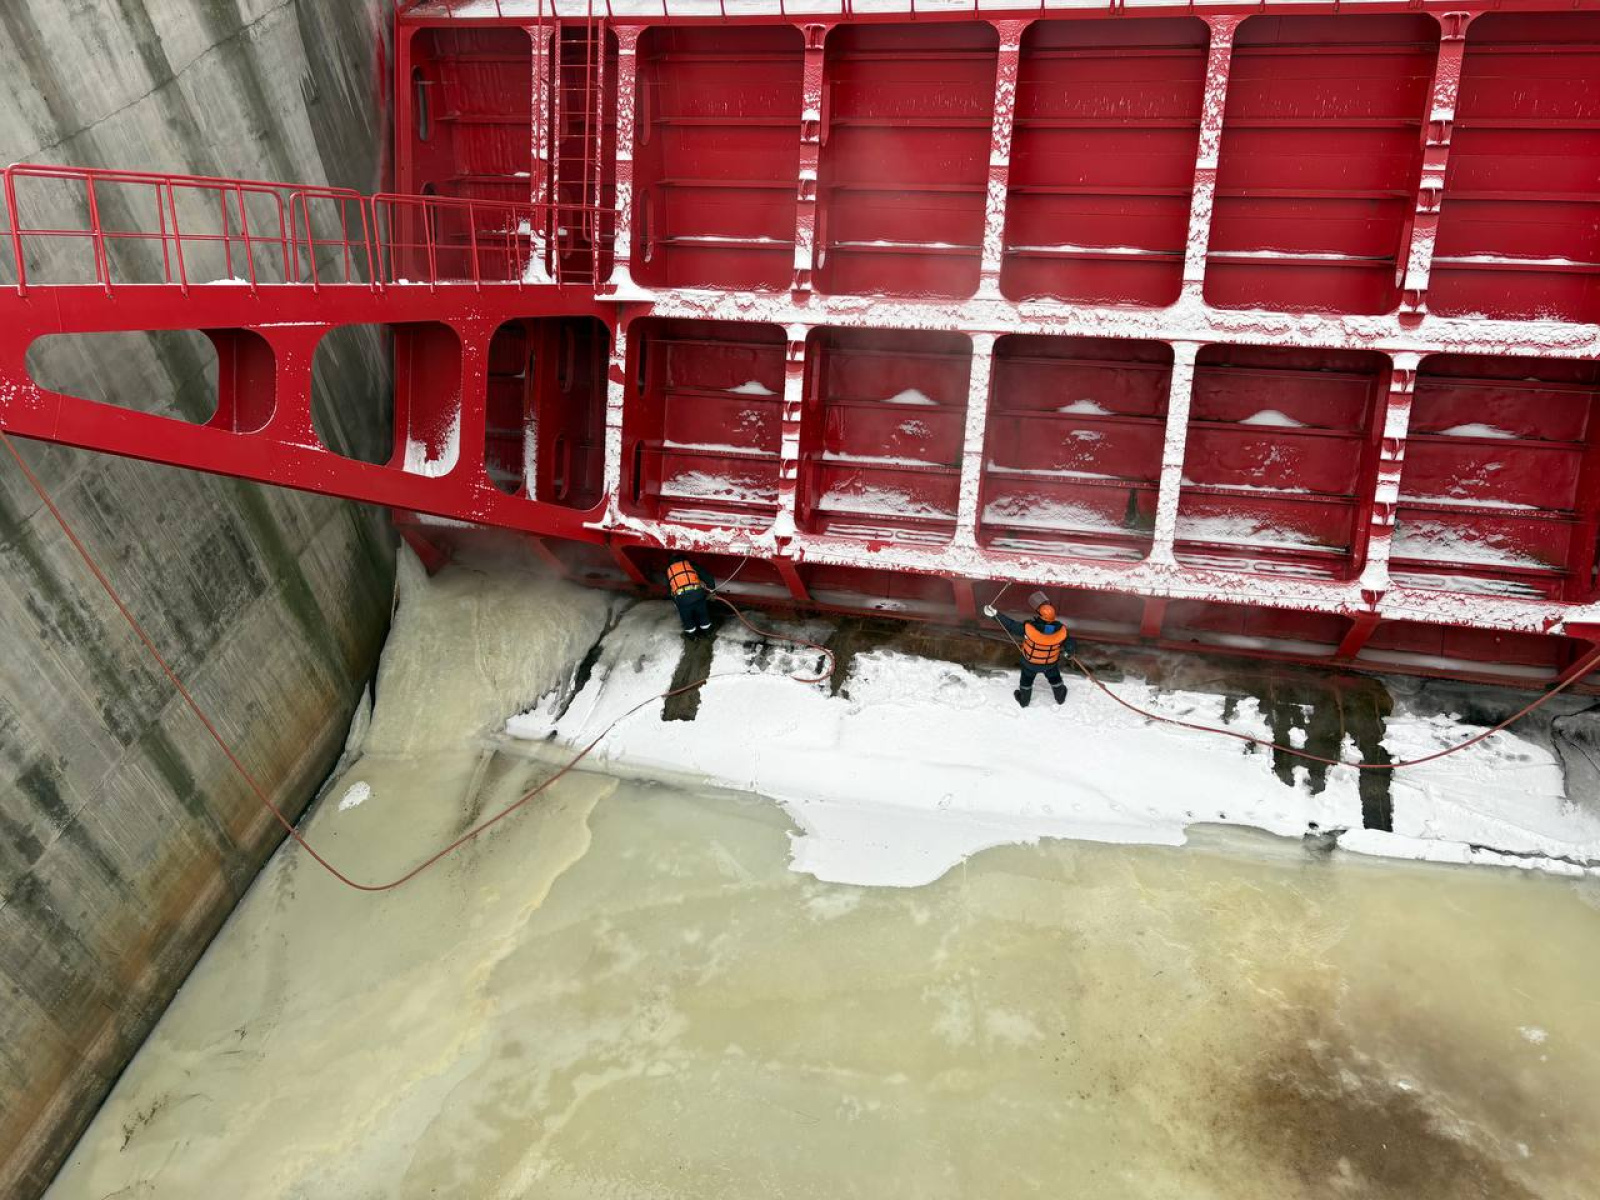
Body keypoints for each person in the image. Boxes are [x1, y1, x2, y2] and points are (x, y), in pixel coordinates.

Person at [983, 597, 1071, 708]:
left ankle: (1024, 701)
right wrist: (1069, 652)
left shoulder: (1028, 629)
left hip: (1030, 664)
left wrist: (995, 614)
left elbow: (1010, 625)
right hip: (1050, 665)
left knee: (1026, 681)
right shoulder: (1062, 632)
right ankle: (1060, 697)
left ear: (1040, 616)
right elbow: (1070, 645)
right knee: (1055, 678)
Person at [666, 557, 715, 637]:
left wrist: (676, 602)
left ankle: (691, 635)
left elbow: (669, 590)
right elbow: (707, 576)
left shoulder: (669, 571)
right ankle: (707, 632)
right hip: (697, 595)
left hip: (682, 599)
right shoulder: (690, 564)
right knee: (702, 613)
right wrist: (711, 590)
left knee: (686, 618)